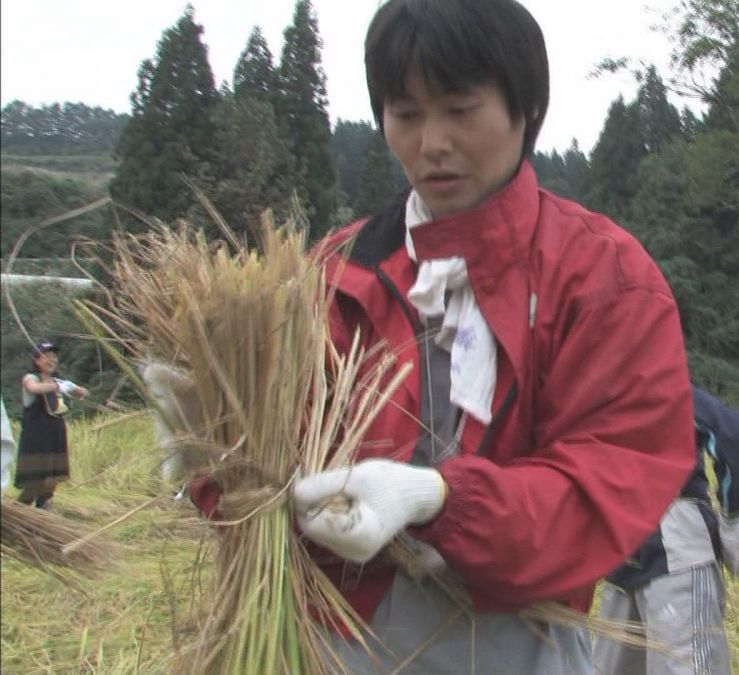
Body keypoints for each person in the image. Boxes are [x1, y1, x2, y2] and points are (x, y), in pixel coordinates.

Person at [150, 1, 695, 672]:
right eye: (405, 115)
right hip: (329, 637)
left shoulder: (602, 279)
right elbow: (269, 488)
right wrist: (213, 450)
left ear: (524, 109)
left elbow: (606, 486)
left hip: (512, 642)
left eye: (459, 110)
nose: (430, 143)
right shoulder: (328, 274)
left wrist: (440, 500)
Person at [595, 384, 739, 675]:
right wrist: (732, 519)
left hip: (629, 546)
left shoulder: (588, 390)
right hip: (665, 548)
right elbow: (734, 435)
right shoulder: (655, 383)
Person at [14, 341, 88, 508]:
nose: (51, 360)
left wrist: (74, 389)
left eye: (54, 357)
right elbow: (33, 388)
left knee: (52, 479)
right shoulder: (31, 378)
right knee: (35, 481)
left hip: (56, 435)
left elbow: (82, 392)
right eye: (47, 356)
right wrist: (57, 386)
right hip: (37, 437)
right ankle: (17, 515)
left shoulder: (58, 381)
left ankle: (42, 515)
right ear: (37, 360)